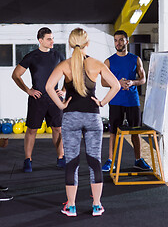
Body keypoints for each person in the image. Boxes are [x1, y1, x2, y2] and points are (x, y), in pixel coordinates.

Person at [46, 28, 120, 217]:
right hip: (93, 117)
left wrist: (62, 106)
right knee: (94, 161)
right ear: (87, 44)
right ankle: (97, 205)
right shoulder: (96, 64)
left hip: (71, 117)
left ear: (71, 44)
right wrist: (102, 102)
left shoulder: (65, 65)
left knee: (72, 162)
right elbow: (116, 85)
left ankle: (71, 206)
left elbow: (48, 87)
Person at [12, 27, 65, 173]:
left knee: (58, 129)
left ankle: (61, 157)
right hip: (38, 99)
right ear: (40, 40)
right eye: (49, 39)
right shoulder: (32, 56)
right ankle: (28, 159)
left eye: (52, 38)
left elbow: (69, 74)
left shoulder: (58, 55)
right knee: (32, 130)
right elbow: (16, 75)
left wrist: (64, 90)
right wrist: (28, 90)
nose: (52, 41)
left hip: (55, 99)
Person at [101, 30, 152, 172]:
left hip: (132, 101)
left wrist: (132, 82)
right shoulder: (109, 61)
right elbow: (103, 82)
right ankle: (111, 160)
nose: (118, 43)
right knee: (113, 132)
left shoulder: (135, 59)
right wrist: (117, 83)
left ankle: (138, 160)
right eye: (116, 40)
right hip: (115, 100)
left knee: (136, 131)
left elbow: (143, 79)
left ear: (126, 41)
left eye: (121, 40)